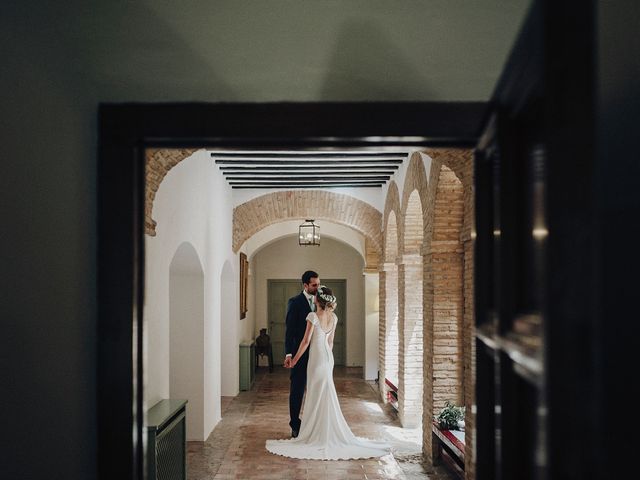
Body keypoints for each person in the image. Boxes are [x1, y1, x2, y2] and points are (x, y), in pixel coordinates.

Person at [266, 286, 390, 460]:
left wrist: (294, 360)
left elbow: (305, 341)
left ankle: (315, 433)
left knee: (316, 395)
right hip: (327, 359)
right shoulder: (334, 317)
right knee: (324, 394)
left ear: (317, 300)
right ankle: (324, 430)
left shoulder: (312, 316)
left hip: (316, 361)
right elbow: (330, 342)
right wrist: (328, 361)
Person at [283, 270, 320, 438]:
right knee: (297, 390)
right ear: (305, 285)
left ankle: (314, 424)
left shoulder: (322, 302)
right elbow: (289, 331)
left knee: (317, 389)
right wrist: (289, 354)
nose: (317, 287)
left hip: (318, 354)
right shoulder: (295, 302)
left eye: (318, 284)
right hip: (300, 354)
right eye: (314, 285)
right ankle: (295, 424)